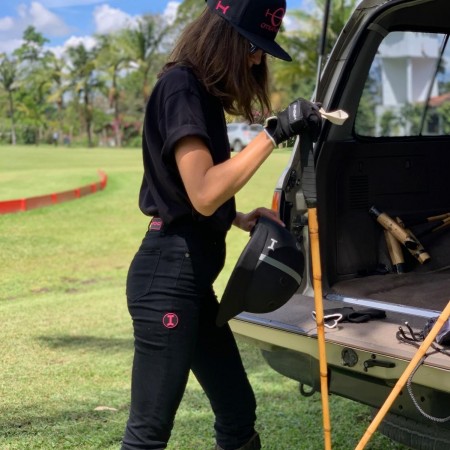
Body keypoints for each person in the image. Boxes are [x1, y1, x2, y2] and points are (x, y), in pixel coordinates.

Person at [121, 1, 321, 449]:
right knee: (148, 432)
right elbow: (204, 191)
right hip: (167, 279)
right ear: (224, 35)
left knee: (236, 410)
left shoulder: (198, 94)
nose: (256, 59)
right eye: (253, 46)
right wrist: (273, 133)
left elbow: (196, 196)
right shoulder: (180, 87)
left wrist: (239, 218)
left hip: (192, 281)